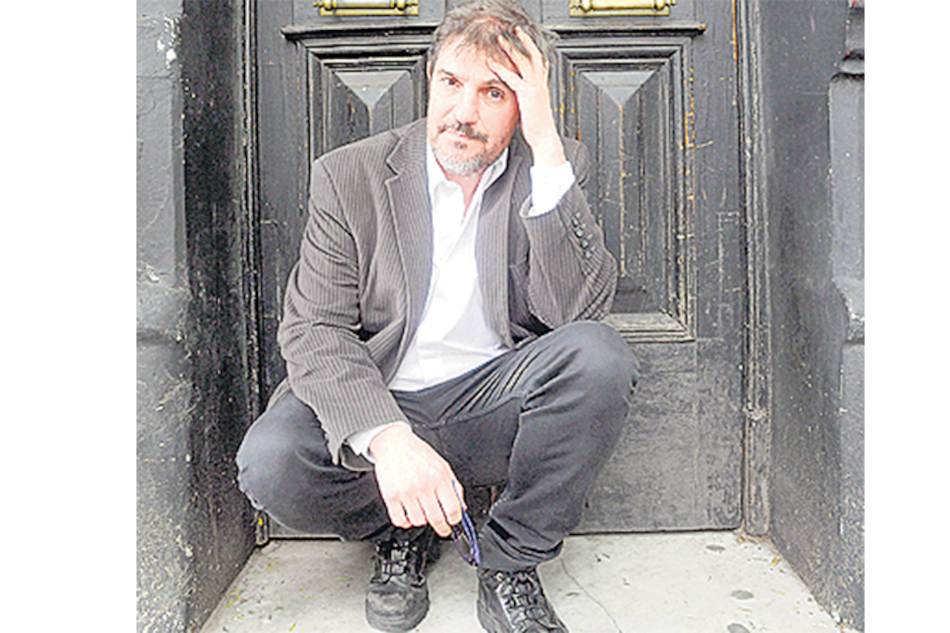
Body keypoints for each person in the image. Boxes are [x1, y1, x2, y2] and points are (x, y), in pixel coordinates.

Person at [236, 1, 639, 630]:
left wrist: (546, 145)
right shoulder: (349, 175)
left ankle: (510, 558)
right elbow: (314, 328)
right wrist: (389, 440)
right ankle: (402, 528)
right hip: (384, 394)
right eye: (451, 83)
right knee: (271, 463)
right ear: (430, 80)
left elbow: (577, 313)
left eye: (494, 92)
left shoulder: (551, 170)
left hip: (491, 402)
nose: (464, 112)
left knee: (598, 357)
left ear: (524, 104)